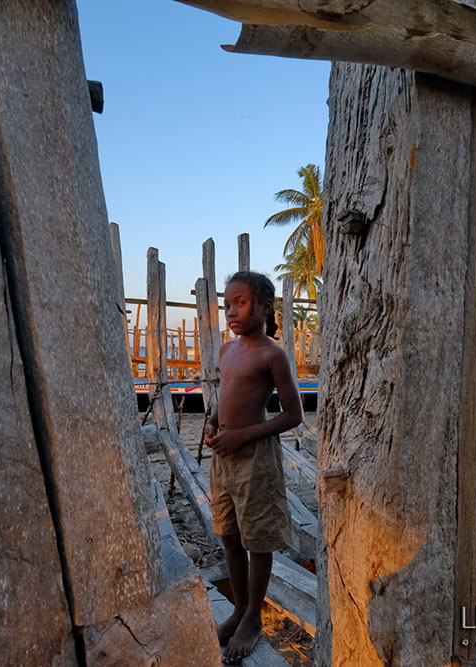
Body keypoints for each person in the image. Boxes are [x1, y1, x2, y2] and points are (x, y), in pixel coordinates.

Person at [205, 270, 303, 664]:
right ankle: (239, 607)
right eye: (227, 304)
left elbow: (293, 415)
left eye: (241, 303)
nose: (231, 311)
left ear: (264, 307)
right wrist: (212, 423)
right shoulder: (228, 352)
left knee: (257, 540)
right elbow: (222, 395)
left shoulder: (271, 354)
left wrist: (242, 436)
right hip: (223, 458)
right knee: (228, 535)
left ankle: (253, 615)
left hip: (255, 460)